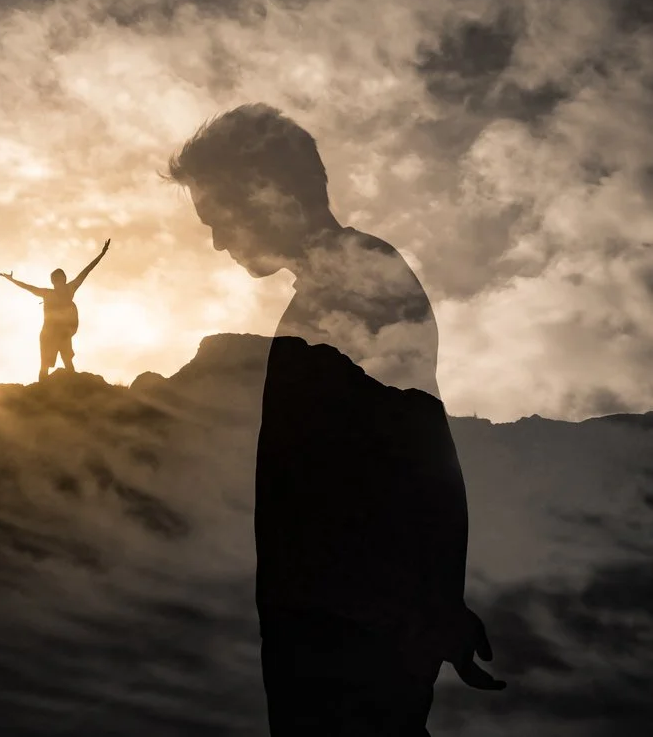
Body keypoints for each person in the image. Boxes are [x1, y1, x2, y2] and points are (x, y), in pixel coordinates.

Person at [166, 104, 503, 736]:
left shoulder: (361, 283)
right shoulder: (332, 288)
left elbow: (425, 449)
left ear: (268, 191)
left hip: (356, 637)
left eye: (218, 218)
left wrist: (437, 600)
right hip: (332, 628)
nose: (217, 242)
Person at [1, 239, 110, 382]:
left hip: (63, 334)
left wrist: (102, 254)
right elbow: (27, 287)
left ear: (64, 279)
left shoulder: (70, 288)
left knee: (68, 363)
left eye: (60, 278)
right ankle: (41, 391)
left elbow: (87, 270)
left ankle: (72, 390)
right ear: (53, 281)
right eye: (55, 279)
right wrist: (12, 280)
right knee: (44, 366)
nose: (58, 281)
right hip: (48, 334)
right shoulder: (47, 293)